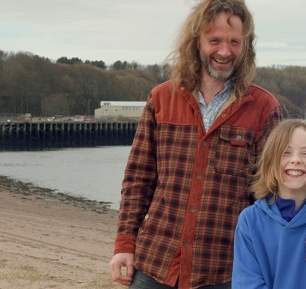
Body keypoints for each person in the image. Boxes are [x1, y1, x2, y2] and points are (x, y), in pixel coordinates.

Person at [108, 0, 282, 288]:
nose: (224, 51)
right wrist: (124, 245)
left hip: (224, 271)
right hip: (155, 264)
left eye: (234, 42)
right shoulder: (162, 99)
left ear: (246, 46)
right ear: (196, 42)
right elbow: (138, 180)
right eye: (214, 40)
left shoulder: (264, 108)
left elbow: (270, 195)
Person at [232, 119, 306, 289]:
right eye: (286, 152)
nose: (296, 160)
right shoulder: (249, 221)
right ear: (271, 160)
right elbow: (246, 282)